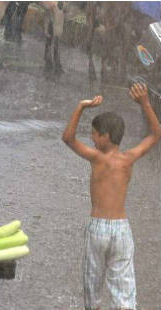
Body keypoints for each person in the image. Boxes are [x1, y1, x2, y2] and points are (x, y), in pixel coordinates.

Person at [61, 83, 161, 310]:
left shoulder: (97, 158)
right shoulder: (128, 158)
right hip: (121, 230)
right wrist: (145, 104)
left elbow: (68, 137)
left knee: (92, 284)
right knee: (124, 288)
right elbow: (156, 133)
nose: (92, 138)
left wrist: (81, 107)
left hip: (97, 229)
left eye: (95, 134)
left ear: (105, 136)